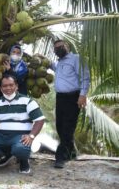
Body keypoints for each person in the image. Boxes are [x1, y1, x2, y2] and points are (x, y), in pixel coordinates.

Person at [0, 74, 45, 173]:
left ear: (16, 86)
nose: (8, 88)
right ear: (1, 88)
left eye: (11, 85)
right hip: (1, 135)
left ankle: (23, 161)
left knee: (20, 149)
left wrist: (31, 136)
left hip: (20, 136)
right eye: (5, 86)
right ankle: (5, 154)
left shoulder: (27, 101)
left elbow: (40, 120)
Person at [51, 40, 90, 168]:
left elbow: (85, 76)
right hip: (60, 98)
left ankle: (60, 157)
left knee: (67, 127)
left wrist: (82, 95)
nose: (59, 49)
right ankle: (71, 152)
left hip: (72, 97)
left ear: (67, 46)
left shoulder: (76, 58)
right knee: (60, 126)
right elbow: (56, 69)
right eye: (56, 48)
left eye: (61, 46)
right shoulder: (60, 62)